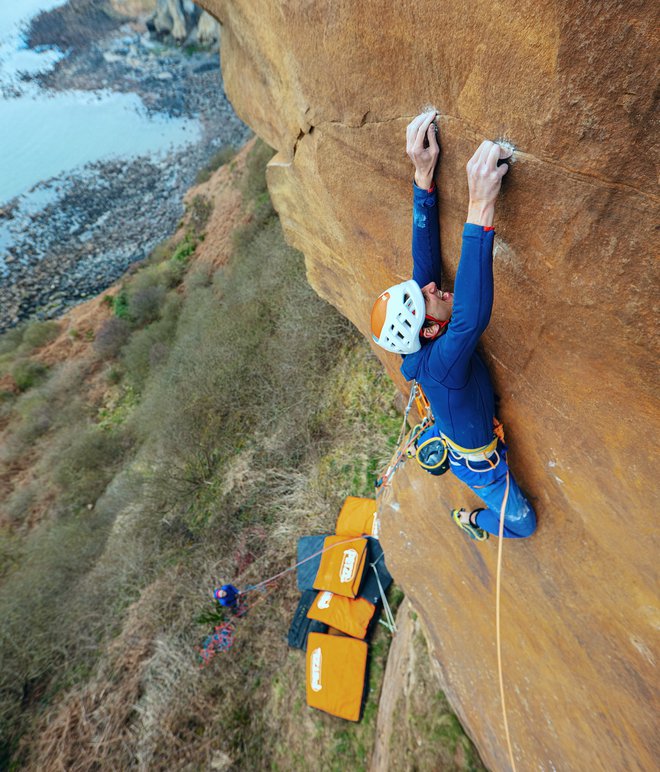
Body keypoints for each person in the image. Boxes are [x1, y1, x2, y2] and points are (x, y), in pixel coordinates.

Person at [370, 110, 536, 541]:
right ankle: (473, 522)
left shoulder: (419, 336)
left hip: (457, 425)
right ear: (427, 331)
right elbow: (469, 318)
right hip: (481, 468)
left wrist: (422, 176)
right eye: (429, 298)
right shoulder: (441, 360)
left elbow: (425, 270)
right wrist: (481, 204)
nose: (435, 289)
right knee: (523, 525)